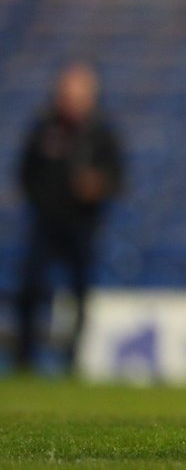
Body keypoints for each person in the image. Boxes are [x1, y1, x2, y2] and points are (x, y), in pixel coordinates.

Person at [14, 61, 125, 374]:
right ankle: (25, 360)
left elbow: (117, 178)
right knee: (32, 288)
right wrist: (43, 201)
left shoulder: (102, 133)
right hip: (45, 224)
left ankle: (72, 361)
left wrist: (97, 186)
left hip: (83, 226)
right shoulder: (44, 127)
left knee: (79, 293)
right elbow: (25, 174)